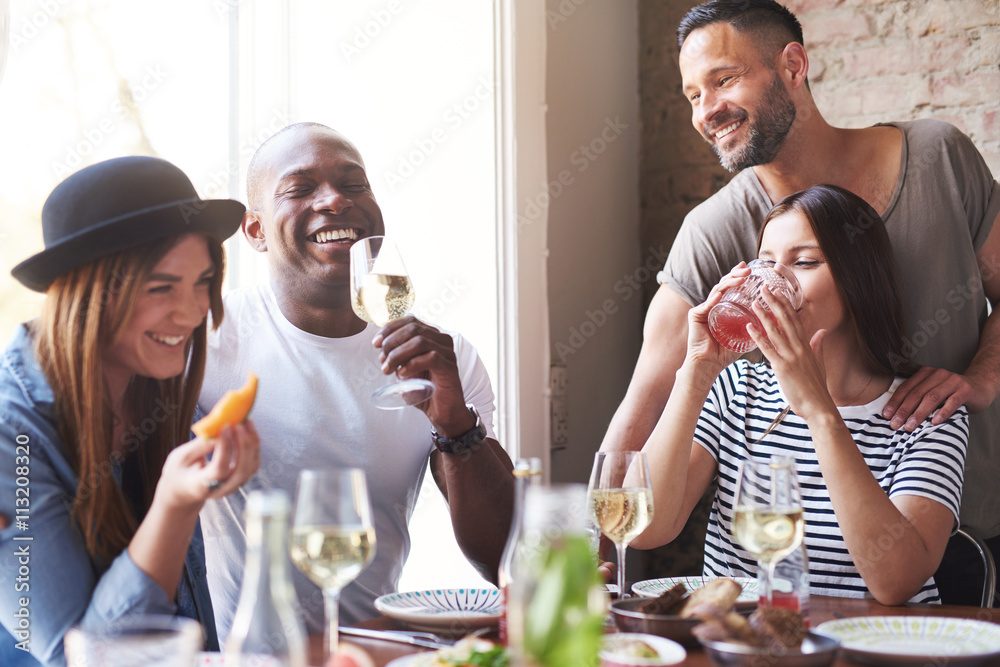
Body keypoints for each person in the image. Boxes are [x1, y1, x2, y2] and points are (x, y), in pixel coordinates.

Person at [601, 0, 1000, 602]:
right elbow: (642, 411)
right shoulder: (714, 241)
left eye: (724, 79)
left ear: (793, 65)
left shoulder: (940, 159)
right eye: (690, 95)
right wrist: (594, 557)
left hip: (955, 534)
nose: (707, 110)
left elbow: (895, 580)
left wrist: (981, 379)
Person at [197, 122, 515, 639]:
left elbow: (504, 559)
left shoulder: (446, 358)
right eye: (300, 189)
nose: (337, 202)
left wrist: (455, 424)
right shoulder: (205, 344)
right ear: (255, 232)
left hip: (375, 647)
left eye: (354, 184)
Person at [632, 184, 969, 604]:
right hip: (742, 645)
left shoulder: (927, 411)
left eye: (805, 261)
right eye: (766, 263)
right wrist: (696, 372)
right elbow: (642, 528)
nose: (774, 283)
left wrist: (820, 413)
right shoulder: (737, 389)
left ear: (858, 278)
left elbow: (896, 582)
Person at [0, 156, 260, 666]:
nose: (191, 312)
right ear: (88, 293)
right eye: (161, 287)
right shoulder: (12, 437)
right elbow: (74, 657)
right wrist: (175, 505)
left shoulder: (153, 384)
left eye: (203, 281)